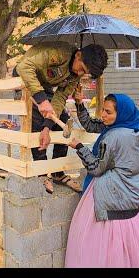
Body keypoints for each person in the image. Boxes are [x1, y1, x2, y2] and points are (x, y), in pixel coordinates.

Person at [64, 93, 139, 267]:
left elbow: (96, 168)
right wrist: (79, 103)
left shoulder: (114, 137)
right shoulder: (130, 127)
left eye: (108, 112)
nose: (103, 115)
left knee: (98, 244)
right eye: (103, 110)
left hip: (113, 197)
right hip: (130, 197)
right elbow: (91, 124)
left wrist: (80, 147)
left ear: (119, 114)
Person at [15, 42, 108, 193]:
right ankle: (42, 172)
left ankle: (58, 172)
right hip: (25, 77)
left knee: (62, 119)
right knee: (36, 118)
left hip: (43, 86)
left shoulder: (75, 76)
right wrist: (41, 100)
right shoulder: (58, 53)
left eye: (84, 73)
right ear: (78, 55)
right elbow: (23, 67)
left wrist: (47, 126)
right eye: (82, 69)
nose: (79, 74)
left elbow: (60, 98)